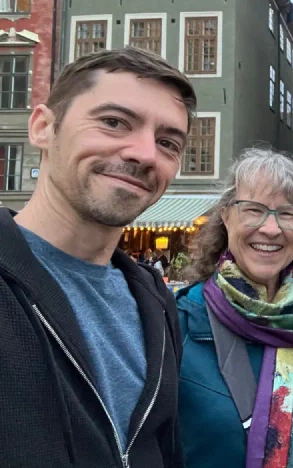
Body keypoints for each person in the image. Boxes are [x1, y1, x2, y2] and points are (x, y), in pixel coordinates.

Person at [0, 47, 196, 467]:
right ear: (42, 128)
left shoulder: (155, 300)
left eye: (167, 142)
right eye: (113, 122)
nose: (144, 154)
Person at [176, 147, 293, 468]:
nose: (271, 229)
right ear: (226, 215)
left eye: (287, 213)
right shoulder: (179, 322)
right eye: (254, 210)